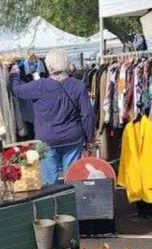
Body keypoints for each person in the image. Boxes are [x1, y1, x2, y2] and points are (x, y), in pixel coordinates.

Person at [9, 49, 96, 184]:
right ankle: (72, 203)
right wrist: (89, 140)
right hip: (73, 138)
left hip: (46, 140)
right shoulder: (78, 86)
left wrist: (14, 74)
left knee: (49, 182)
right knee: (73, 180)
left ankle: (53, 203)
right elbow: (87, 115)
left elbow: (17, 90)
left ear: (48, 66)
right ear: (67, 65)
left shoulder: (40, 86)